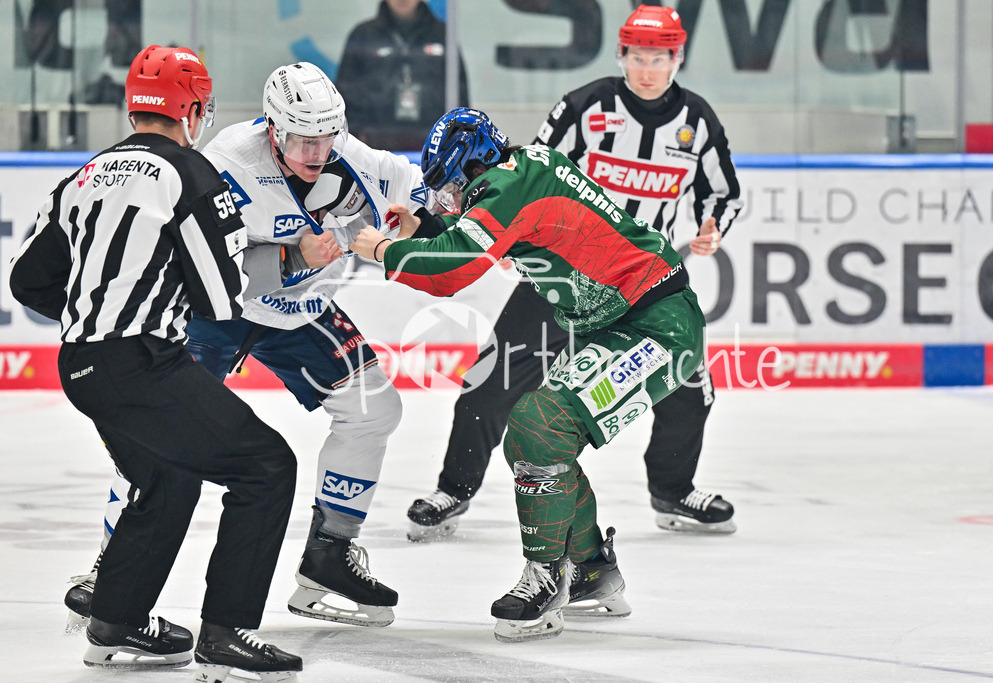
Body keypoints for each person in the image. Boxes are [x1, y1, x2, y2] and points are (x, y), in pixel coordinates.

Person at [62, 62, 431, 632]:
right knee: (159, 435)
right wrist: (291, 258)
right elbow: (205, 267)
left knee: (373, 409)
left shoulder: (356, 160)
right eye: (303, 139)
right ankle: (109, 568)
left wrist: (432, 216)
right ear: (273, 129)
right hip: (221, 311)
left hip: (302, 310)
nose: (317, 150)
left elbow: (429, 197)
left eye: (326, 137)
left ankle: (329, 553)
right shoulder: (228, 161)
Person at [350, 106, 707, 642]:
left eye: (448, 188)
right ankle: (589, 569)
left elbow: (454, 270)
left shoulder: (508, 183)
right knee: (533, 443)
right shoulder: (515, 175)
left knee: (538, 427)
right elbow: (475, 234)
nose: (447, 200)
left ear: (472, 168)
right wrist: (425, 228)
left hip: (657, 327)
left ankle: (548, 575)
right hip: (618, 324)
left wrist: (385, 250)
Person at [9, 45, 302, 677]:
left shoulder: (85, 174)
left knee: (168, 478)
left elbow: (28, 281)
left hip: (81, 365)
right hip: (143, 363)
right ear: (192, 108)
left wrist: (103, 302)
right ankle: (227, 633)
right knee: (266, 466)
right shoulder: (193, 174)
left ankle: (115, 620)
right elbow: (221, 298)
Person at [405, 4, 743, 542]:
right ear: (621, 54)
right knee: (494, 377)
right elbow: (526, 174)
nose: (648, 68)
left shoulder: (698, 120)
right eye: (638, 56)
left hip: (643, 280)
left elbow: (724, 192)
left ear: (678, 57)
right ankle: (454, 488)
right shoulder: (585, 107)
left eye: (660, 57)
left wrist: (713, 225)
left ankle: (673, 490)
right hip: (563, 275)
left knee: (688, 381)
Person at [335, 0, 469, 150]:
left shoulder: (443, 35)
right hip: (374, 148)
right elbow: (345, 97)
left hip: (433, 148)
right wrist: (358, 143)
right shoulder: (362, 35)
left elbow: (459, 96)